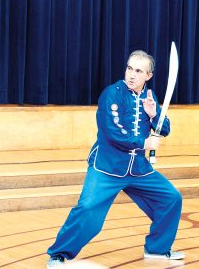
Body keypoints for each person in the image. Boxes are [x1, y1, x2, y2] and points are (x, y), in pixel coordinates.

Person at [46, 50, 184, 268]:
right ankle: (59, 254)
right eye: (130, 68)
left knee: (171, 199)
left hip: (138, 168)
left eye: (138, 71)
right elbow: (113, 132)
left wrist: (153, 114)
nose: (132, 75)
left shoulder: (150, 97)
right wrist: (143, 143)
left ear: (148, 75)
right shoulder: (111, 94)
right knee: (88, 210)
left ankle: (157, 249)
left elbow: (164, 128)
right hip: (107, 166)